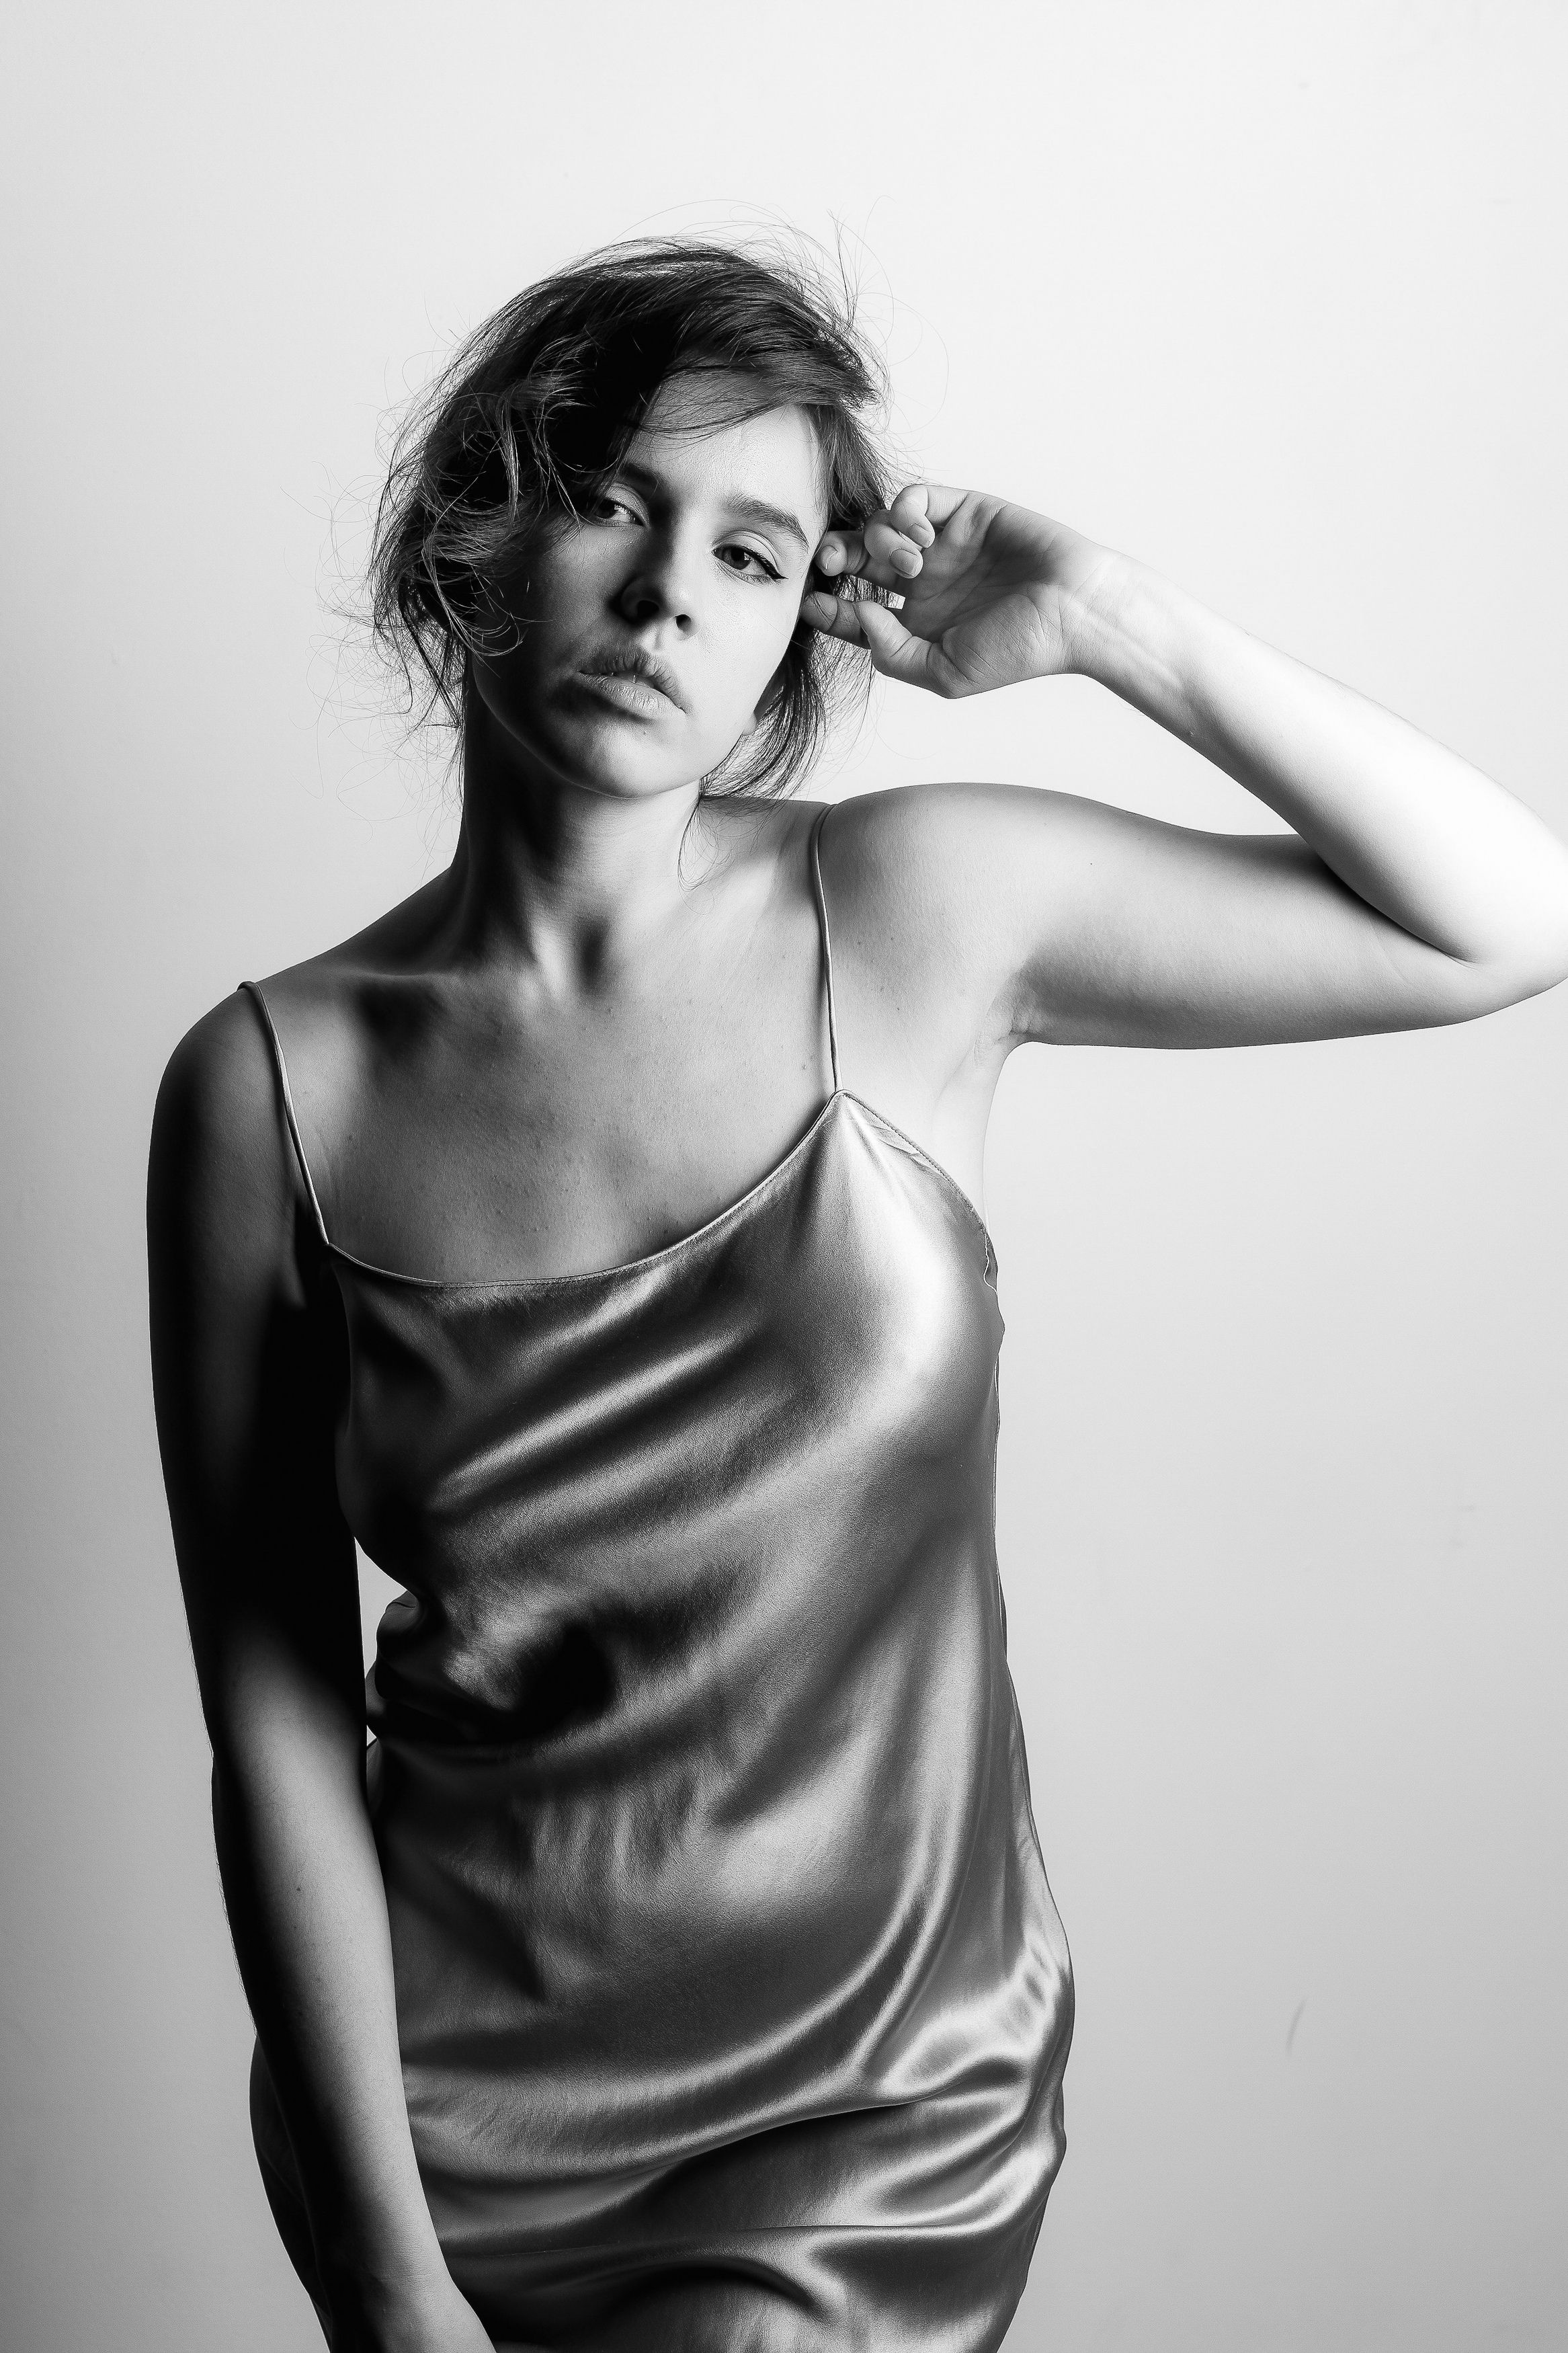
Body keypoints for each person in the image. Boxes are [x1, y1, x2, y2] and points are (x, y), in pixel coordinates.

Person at [147, 238, 1568, 2353]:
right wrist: (385, 2282)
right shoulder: (273, 1089)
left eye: (750, 549)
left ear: (803, 613)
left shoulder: (915, 910)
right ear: (474, 527)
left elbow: (1505, 919)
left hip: (879, 2101)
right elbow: (274, 1711)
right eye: (610, 501)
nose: (668, 597)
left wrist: (1110, 623)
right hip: (450, 2125)